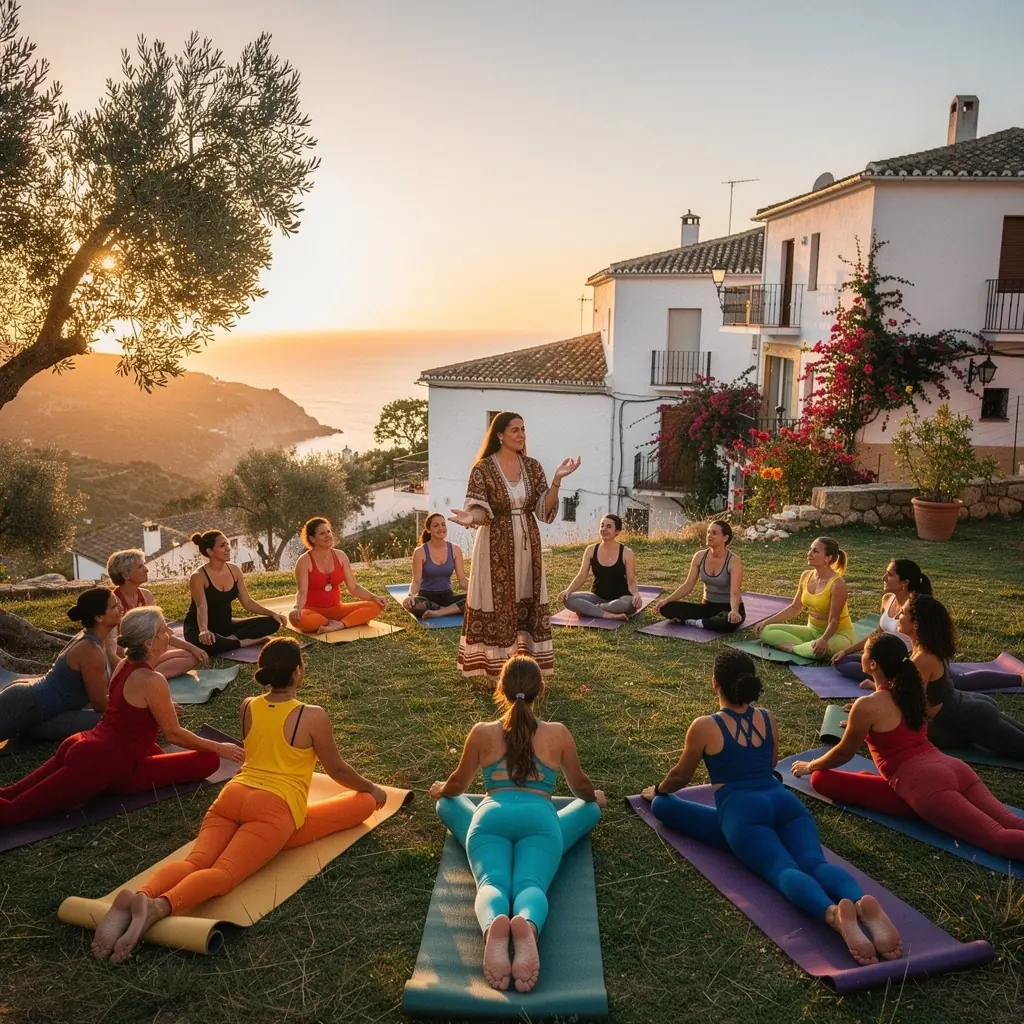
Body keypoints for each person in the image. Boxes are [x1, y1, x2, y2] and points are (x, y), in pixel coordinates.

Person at [91, 637, 388, 964]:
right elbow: (337, 769)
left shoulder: (248, 704)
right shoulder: (312, 715)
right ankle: (157, 908)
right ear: (298, 673)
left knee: (195, 862)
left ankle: (141, 894)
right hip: (274, 809)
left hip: (233, 795)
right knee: (224, 873)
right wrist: (372, 788)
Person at [642, 649, 902, 967]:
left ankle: (834, 915)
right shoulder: (767, 717)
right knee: (813, 862)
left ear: (715, 684)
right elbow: (772, 762)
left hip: (742, 816)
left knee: (783, 869)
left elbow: (680, 775)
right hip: (784, 803)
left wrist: (657, 791)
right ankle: (861, 902)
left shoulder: (705, 726)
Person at [429, 655, 605, 992]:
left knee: (490, 881)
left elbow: (457, 785)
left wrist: (441, 790)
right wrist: (593, 796)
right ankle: (525, 923)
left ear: (501, 689)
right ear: (541, 690)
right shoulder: (557, 734)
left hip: (489, 818)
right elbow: (580, 787)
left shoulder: (482, 733)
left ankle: (495, 922)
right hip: (541, 822)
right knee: (532, 885)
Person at [0, 607, 240, 826]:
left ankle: (112, 780)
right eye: (163, 631)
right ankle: (110, 782)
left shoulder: (124, 664)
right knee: (12, 812)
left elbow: (127, 713)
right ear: (149, 643)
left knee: (10, 793)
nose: (169, 633)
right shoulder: (152, 680)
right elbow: (174, 734)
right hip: (98, 763)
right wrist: (218, 747)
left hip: (83, 744)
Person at [793, 633, 1024, 858]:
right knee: (1012, 823)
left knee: (997, 837)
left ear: (873, 664)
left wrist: (811, 765)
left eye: (863, 652)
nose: (860, 655)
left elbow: (843, 753)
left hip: (924, 786)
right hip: (953, 767)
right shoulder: (911, 692)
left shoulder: (867, 706)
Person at [449, 411, 580, 679]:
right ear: (499, 435)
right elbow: (481, 512)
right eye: (515, 430)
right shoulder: (483, 469)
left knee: (526, 597)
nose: (521, 435)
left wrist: (557, 480)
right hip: (494, 544)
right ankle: (497, 668)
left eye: (523, 429)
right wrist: (469, 517)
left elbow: (543, 511)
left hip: (528, 541)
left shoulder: (532, 466)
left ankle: (526, 667)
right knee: (499, 601)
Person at [832, 559, 1023, 691]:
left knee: (958, 682)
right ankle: (889, 680)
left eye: (889, 575)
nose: (883, 578)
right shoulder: (887, 599)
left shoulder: (916, 606)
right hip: (891, 658)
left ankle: (1018, 678)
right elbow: (878, 632)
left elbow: (927, 640)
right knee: (842, 663)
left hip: (913, 659)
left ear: (904, 582)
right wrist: (847, 651)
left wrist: (911, 664)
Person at [901, 594, 1024, 759]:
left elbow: (912, 702)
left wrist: (874, 709)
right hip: (967, 709)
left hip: (970, 718)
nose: (897, 616)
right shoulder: (925, 648)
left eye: (902, 613)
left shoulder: (923, 657)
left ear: (915, 623)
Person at [0, 589, 118, 743]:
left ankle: (28, 730)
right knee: (116, 721)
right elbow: (100, 704)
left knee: (118, 719)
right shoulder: (90, 649)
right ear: (99, 617)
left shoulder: (94, 640)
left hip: (42, 709)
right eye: (114, 606)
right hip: (25, 703)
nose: (120, 609)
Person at [106, 549, 209, 679]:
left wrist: (193, 648)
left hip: (149, 655)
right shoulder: (114, 604)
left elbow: (164, 632)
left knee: (192, 656)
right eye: (140, 567)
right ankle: (142, 677)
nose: (146, 570)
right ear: (126, 575)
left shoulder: (146, 595)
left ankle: (148, 676)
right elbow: (111, 652)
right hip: (128, 660)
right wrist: (126, 672)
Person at [183, 530, 285, 656]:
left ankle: (230, 640)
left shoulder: (234, 570)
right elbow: (201, 607)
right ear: (210, 552)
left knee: (272, 622)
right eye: (222, 546)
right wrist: (203, 630)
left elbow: (247, 602)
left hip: (226, 626)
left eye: (227, 544)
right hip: (200, 627)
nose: (228, 548)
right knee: (207, 643)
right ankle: (246, 642)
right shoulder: (198, 576)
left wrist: (272, 613)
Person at [753, 537, 855, 660]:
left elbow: (834, 621)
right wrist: (766, 621)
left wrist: (823, 640)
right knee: (765, 631)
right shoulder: (806, 575)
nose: (809, 554)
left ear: (827, 558)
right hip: (811, 631)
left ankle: (795, 648)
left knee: (818, 649)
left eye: (815, 551)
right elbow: (795, 607)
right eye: (810, 549)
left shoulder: (837, 584)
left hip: (838, 635)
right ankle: (803, 648)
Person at [289, 517, 387, 634]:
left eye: (329, 532)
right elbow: (302, 591)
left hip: (337, 610)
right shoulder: (304, 561)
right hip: (313, 612)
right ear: (312, 538)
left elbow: (354, 587)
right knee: (297, 619)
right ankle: (332, 622)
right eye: (322, 533)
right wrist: (297, 608)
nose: (328, 536)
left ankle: (338, 625)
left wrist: (374, 597)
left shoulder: (341, 556)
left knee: (375, 606)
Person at [655, 520, 744, 631]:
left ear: (725, 538)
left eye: (714, 533)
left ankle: (693, 622)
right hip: (707, 607)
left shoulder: (734, 560)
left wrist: (734, 610)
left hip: (728, 607)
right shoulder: (699, 556)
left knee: (727, 621)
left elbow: (735, 591)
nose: (709, 536)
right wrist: (667, 600)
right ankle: (705, 622)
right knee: (666, 608)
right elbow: (688, 585)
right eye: (708, 532)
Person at [557, 514, 642, 621]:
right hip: (596, 597)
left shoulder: (627, 553)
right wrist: (568, 590)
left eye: (609, 527)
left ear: (617, 531)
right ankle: (609, 615)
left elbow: (631, 580)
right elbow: (582, 575)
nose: (604, 529)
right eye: (602, 526)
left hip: (620, 599)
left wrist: (636, 594)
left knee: (630, 604)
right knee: (568, 599)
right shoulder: (591, 550)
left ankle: (591, 610)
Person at [402, 513, 468, 619]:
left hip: (447, 597)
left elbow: (462, 580)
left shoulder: (455, 549)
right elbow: (416, 581)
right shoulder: (420, 552)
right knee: (411, 604)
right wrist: (410, 596)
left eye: (443, 524)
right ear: (428, 530)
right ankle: (450, 610)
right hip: (426, 599)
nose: (441, 528)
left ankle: (440, 612)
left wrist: (477, 591)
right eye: (436, 525)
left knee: (476, 599)